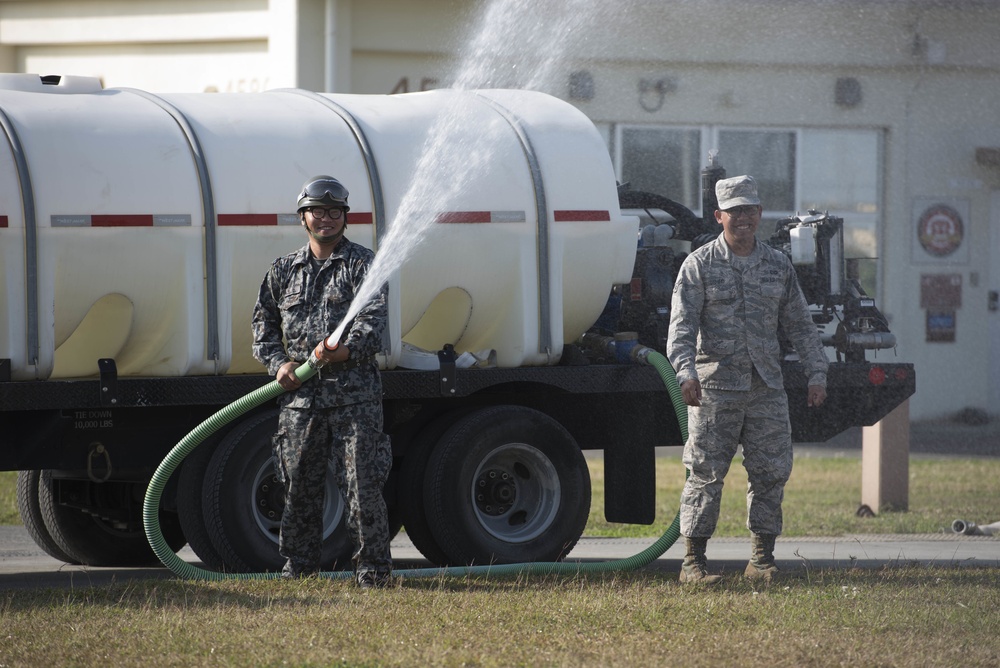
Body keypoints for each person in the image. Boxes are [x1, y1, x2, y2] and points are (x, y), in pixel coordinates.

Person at [665, 174, 828, 584]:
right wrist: (684, 372)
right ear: (719, 216)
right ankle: (692, 565)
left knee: (771, 472)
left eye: (750, 210)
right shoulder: (698, 265)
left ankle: (761, 560)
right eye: (735, 211)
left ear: (759, 213)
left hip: (766, 389)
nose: (744, 219)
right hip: (715, 389)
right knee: (705, 474)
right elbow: (681, 328)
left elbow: (800, 325)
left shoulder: (777, 265)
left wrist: (817, 371)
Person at [252, 175, 393, 589]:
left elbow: (372, 321)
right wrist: (278, 365)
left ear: (345, 218)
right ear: (303, 218)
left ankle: (373, 572)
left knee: (362, 486)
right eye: (318, 211)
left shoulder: (362, 264)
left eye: (335, 212)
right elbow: (264, 325)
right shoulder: (282, 270)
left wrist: (342, 352)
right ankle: (300, 568)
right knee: (297, 485)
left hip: (355, 399)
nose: (326, 219)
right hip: (300, 401)